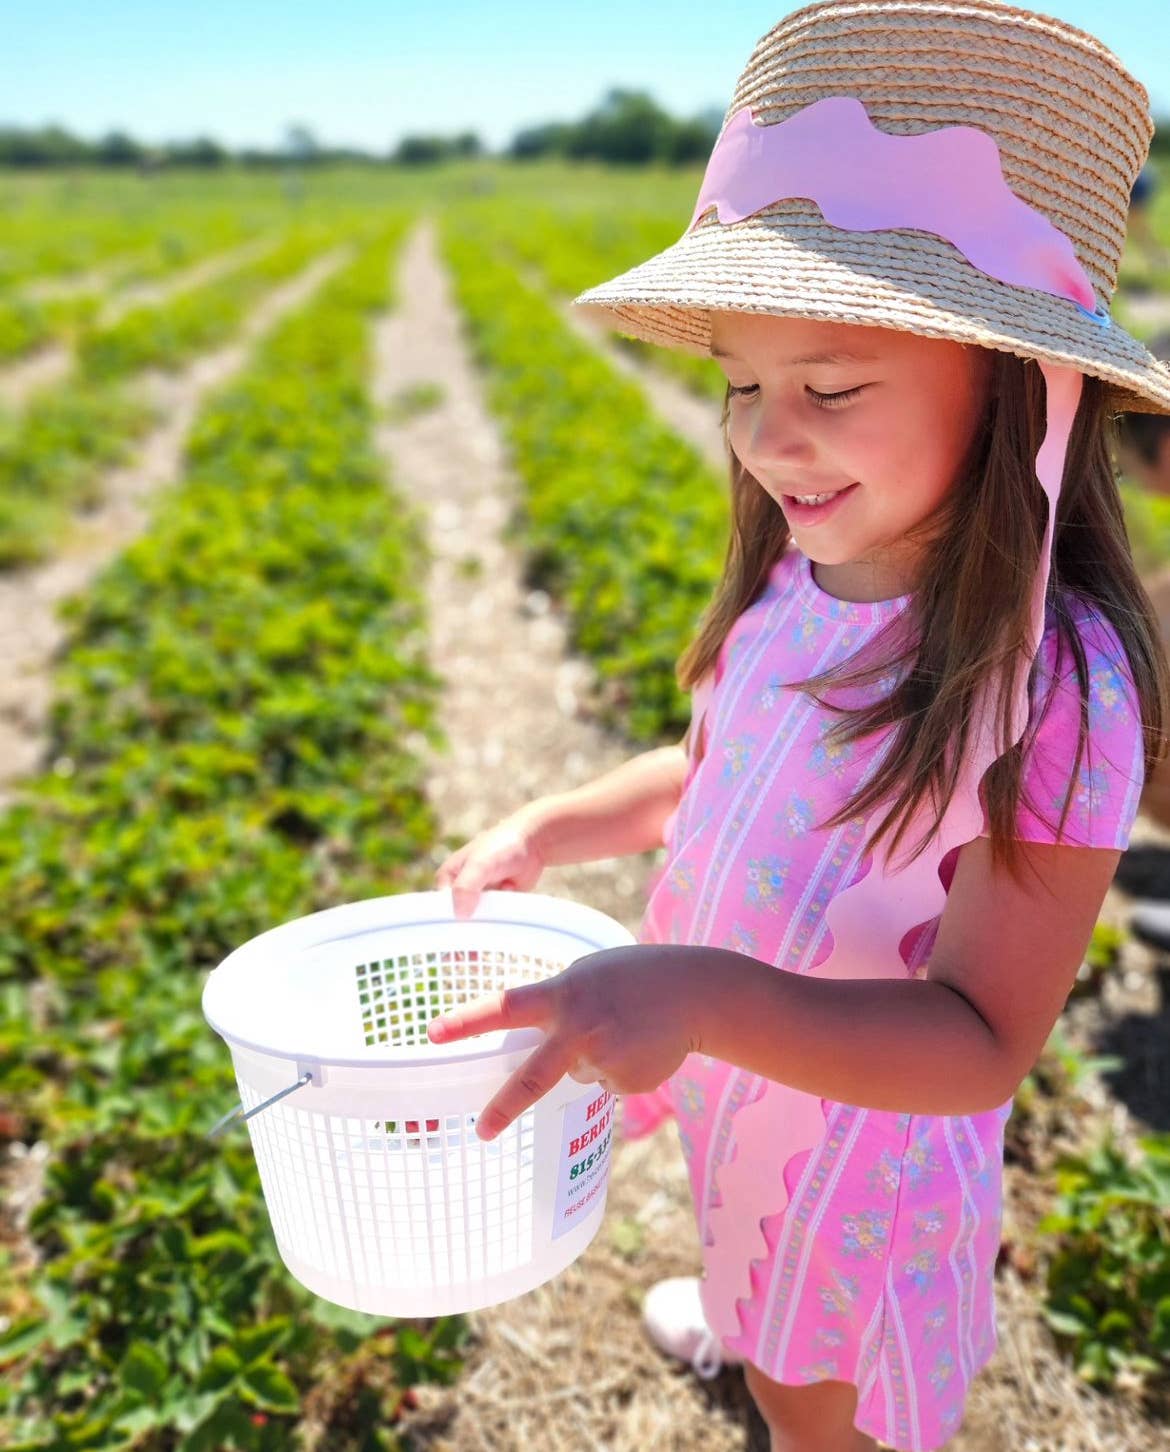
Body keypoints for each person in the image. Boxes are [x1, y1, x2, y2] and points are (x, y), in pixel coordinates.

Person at [429, 3, 1170, 1448]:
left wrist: (702, 997)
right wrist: (553, 826)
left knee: (807, 1382)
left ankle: (792, 1386)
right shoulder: (799, 578)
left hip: (865, 1162)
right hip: (747, 1084)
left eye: (828, 387)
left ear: (1017, 386)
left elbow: (979, 1038)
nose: (768, 437)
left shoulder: (1053, 687)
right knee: (740, 1241)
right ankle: (744, 1304)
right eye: (742, 387)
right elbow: (717, 770)